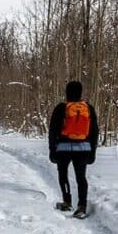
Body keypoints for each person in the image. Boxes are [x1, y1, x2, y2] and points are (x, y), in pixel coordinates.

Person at [48, 80, 99, 218]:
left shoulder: (61, 108)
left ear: (67, 92)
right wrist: (93, 151)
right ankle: (82, 206)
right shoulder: (88, 108)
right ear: (81, 92)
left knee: (63, 174)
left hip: (63, 148)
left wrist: (52, 150)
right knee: (81, 177)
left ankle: (67, 202)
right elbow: (94, 131)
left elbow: (53, 131)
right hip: (83, 148)